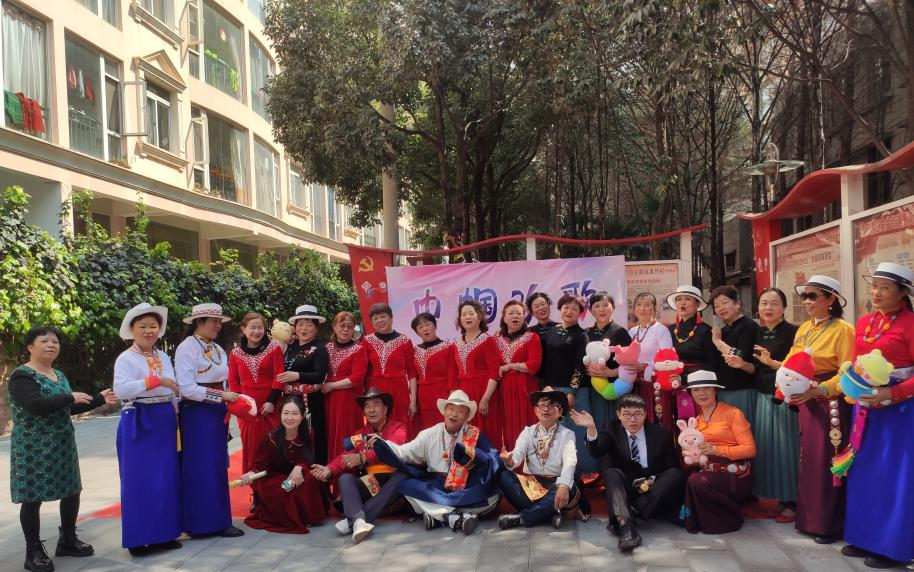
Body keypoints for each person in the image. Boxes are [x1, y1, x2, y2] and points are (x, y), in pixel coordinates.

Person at [8, 326, 118, 572]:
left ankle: (67, 540)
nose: (51, 345)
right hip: (33, 446)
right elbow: (36, 405)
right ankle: (33, 551)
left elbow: (66, 407)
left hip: (62, 443)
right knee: (32, 497)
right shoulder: (22, 376)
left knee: (71, 490)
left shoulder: (58, 374)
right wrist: (69, 397)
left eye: (55, 342)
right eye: (44, 341)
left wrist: (98, 399)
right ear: (30, 347)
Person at [840, 262, 914, 569]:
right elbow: (857, 360)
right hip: (866, 407)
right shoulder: (865, 322)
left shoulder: (910, 324)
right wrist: (850, 382)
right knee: (863, 471)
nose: (877, 293)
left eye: (885, 288)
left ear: (902, 292)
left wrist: (890, 394)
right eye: (874, 287)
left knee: (893, 476)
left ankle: (891, 547)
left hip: (900, 412)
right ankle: (863, 537)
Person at [782, 275, 854, 544]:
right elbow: (792, 360)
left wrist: (822, 389)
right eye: (804, 296)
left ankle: (829, 524)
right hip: (807, 397)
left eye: (813, 296)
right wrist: (780, 374)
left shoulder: (843, 330)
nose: (806, 301)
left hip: (830, 399)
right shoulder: (804, 328)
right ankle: (809, 519)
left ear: (831, 299)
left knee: (829, 458)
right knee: (808, 458)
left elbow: (848, 371)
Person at [372, 390, 502, 534]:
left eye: (460, 411)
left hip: (465, 485)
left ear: (466, 417)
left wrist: (484, 456)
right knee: (407, 487)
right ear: (444, 412)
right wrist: (382, 444)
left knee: (493, 496)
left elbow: (492, 455)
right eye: (451, 409)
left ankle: (438, 516)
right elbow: (405, 451)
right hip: (437, 485)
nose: (454, 414)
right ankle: (453, 516)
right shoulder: (429, 434)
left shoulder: (474, 434)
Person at [112, 303, 183, 555]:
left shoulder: (163, 356)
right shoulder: (126, 358)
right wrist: (154, 381)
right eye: (142, 326)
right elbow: (121, 389)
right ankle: (138, 538)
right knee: (138, 479)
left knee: (165, 478)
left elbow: (173, 389)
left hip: (164, 419)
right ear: (132, 329)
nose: (149, 330)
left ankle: (163, 534)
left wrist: (177, 414)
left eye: (153, 326)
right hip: (140, 418)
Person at [572, 393, 685, 551]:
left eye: (637, 414)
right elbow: (597, 451)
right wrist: (591, 428)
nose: (633, 420)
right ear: (619, 414)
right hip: (625, 490)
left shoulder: (661, 434)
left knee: (676, 475)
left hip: (653, 490)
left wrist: (653, 479)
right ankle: (627, 529)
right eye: (627, 415)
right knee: (611, 473)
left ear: (645, 414)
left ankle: (633, 510)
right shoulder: (611, 429)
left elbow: (672, 466)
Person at [174, 302, 244, 538]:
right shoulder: (187, 348)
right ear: (199, 322)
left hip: (216, 412)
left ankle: (220, 519)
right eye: (213, 321)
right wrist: (221, 396)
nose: (217, 326)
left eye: (219, 322)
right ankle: (200, 523)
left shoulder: (217, 348)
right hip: (196, 412)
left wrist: (227, 399)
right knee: (200, 466)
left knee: (217, 464)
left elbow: (224, 381)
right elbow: (186, 388)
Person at [311, 388, 409, 544]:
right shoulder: (360, 433)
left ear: (385, 409)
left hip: (392, 481)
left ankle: (354, 520)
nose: (371, 410)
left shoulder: (398, 428)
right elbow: (344, 456)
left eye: (376, 405)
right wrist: (329, 469)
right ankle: (359, 522)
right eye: (367, 406)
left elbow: (391, 448)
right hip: (372, 482)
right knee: (345, 479)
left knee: (403, 476)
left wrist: (363, 457)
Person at [681, 370, 756, 535]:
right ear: (691, 394)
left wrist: (716, 450)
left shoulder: (733, 413)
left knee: (697, 481)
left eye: (706, 388)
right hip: (708, 471)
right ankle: (695, 519)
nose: (702, 393)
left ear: (715, 390)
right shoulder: (695, 420)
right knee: (685, 478)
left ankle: (731, 517)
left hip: (735, 474)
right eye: (696, 389)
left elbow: (750, 449)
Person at [240, 396, 328, 534]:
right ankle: (288, 518)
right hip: (275, 478)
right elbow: (259, 464)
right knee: (285, 488)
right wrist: (251, 473)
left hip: (298, 474)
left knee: (311, 480)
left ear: (303, 415)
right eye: (285, 413)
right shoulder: (271, 438)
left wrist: (299, 467)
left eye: (295, 413)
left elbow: (309, 458)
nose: (289, 418)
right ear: (280, 415)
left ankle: (306, 517)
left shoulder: (309, 432)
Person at [498, 389, 579, 530]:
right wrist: (509, 460)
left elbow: (570, 461)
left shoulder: (568, 434)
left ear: (559, 411)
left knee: (569, 487)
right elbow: (517, 455)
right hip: (532, 484)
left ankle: (523, 518)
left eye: (552, 405)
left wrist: (564, 486)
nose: (546, 409)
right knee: (504, 477)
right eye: (542, 405)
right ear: (536, 410)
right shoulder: (527, 432)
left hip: (554, 484)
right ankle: (548, 513)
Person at [751, 288, 800, 523]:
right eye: (764, 303)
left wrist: (773, 364)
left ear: (784, 307)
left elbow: (798, 365)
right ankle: (777, 497)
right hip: (761, 396)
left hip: (785, 397)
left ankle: (793, 500)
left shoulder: (794, 332)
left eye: (774, 303)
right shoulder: (756, 332)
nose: (768, 308)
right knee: (769, 449)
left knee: (787, 448)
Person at [227, 312, 285, 477]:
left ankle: (275, 482)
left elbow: (279, 377)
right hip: (247, 407)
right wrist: (241, 405)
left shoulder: (274, 349)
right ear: (243, 329)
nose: (257, 331)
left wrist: (271, 401)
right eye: (253, 327)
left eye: (260, 327)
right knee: (251, 444)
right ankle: (255, 485)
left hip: (271, 404)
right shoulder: (235, 353)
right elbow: (233, 381)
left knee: (273, 442)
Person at [580, 291, 632, 473]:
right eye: (596, 306)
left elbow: (630, 364)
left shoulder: (620, 332)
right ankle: (598, 470)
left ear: (613, 308)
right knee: (597, 426)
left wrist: (611, 372)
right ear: (591, 311)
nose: (601, 309)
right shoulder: (586, 333)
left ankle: (617, 470)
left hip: (616, 388)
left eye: (605, 305)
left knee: (616, 427)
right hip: (594, 390)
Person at [272, 304, 330, 464]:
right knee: (290, 436)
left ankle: (315, 472)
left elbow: (320, 375)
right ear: (294, 327)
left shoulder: (319, 348)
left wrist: (297, 375)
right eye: (300, 324)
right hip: (288, 400)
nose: (304, 329)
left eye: (309, 324)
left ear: (316, 328)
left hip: (310, 402)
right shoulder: (290, 346)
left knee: (312, 437)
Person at [452, 300, 504, 449]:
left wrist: (485, 399)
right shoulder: (456, 343)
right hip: (464, 393)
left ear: (479, 317)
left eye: (471, 313)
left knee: (486, 431)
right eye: (464, 314)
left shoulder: (487, 340)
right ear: (460, 319)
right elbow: (455, 373)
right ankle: (469, 462)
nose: (467, 317)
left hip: (483, 391)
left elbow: (494, 371)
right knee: (466, 431)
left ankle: (490, 461)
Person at [362, 303, 418, 436]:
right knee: (376, 427)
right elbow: (363, 371)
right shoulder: (366, 341)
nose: (379, 320)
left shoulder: (405, 341)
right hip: (374, 391)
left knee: (400, 425)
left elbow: (411, 372)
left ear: (391, 318)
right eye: (375, 318)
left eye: (383, 316)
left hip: (398, 391)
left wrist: (413, 401)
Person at [494, 300, 542, 449]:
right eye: (511, 313)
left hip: (526, 387)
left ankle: (530, 460)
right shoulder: (495, 340)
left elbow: (534, 364)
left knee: (528, 423)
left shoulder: (532, 337)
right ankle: (512, 460)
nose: (515, 316)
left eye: (519, 313)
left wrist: (510, 366)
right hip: (503, 389)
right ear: (504, 318)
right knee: (507, 426)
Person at [709, 285, 760, 425]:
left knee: (743, 429)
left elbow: (740, 356)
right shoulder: (723, 330)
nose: (721, 308)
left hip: (743, 389)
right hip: (724, 389)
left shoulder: (749, 326)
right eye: (716, 306)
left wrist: (718, 342)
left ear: (737, 304)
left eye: (724, 303)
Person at [322, 311, 368, 462]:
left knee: (347, 431)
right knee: (329, 430)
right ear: (334, 326)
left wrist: (332, 385)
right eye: (342, 325)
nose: (346, 329)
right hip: (328, 399)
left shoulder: (359, 349)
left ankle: (348, 467)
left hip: (348, 399)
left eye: (350, 326)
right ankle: (330, 468)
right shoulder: (326, 348)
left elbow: (357, 378)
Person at [627, 292, 674, 424]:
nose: (642, 308)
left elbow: (668, 361)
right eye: (638, 305)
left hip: (655, 383)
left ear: (654, 308)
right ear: (634, 309)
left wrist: (644, 366)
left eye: (647, 305)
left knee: (657, 421)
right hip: (635, 383)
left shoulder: (661, 330)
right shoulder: (632, 331)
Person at [411, 312, 457, 432]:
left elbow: (453, 376)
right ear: (417, 332)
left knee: (444, 428)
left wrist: (452, 401)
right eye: (420, 327)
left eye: (427, 324)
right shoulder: (415, 351)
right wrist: (413, 401)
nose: (424, 329)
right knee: (426, 430)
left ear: (435, 326)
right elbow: (413, 377)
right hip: (422, 398)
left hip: (442, 395)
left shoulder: (449, 347)